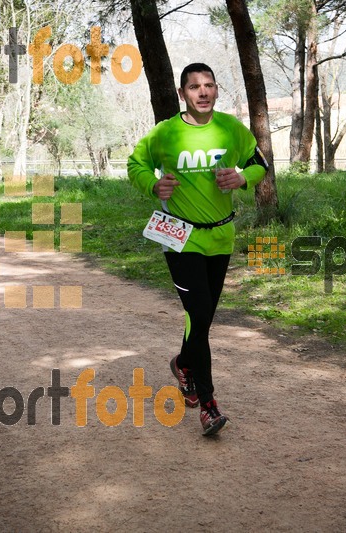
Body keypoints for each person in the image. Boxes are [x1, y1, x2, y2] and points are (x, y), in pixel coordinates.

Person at [127, 63, 268, 436]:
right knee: (199, 311)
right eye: (194, 87)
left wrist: (242, 178)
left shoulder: (231, 129)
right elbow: (136, 163)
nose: (202, 92)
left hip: (220, 237)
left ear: (217, 90)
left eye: (208, 85)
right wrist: (152, 186)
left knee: (202, 319)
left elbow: (260, 164)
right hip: (180, 237)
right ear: (182, 93)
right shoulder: (166, 133)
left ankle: (184, 364)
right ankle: (208, 406)